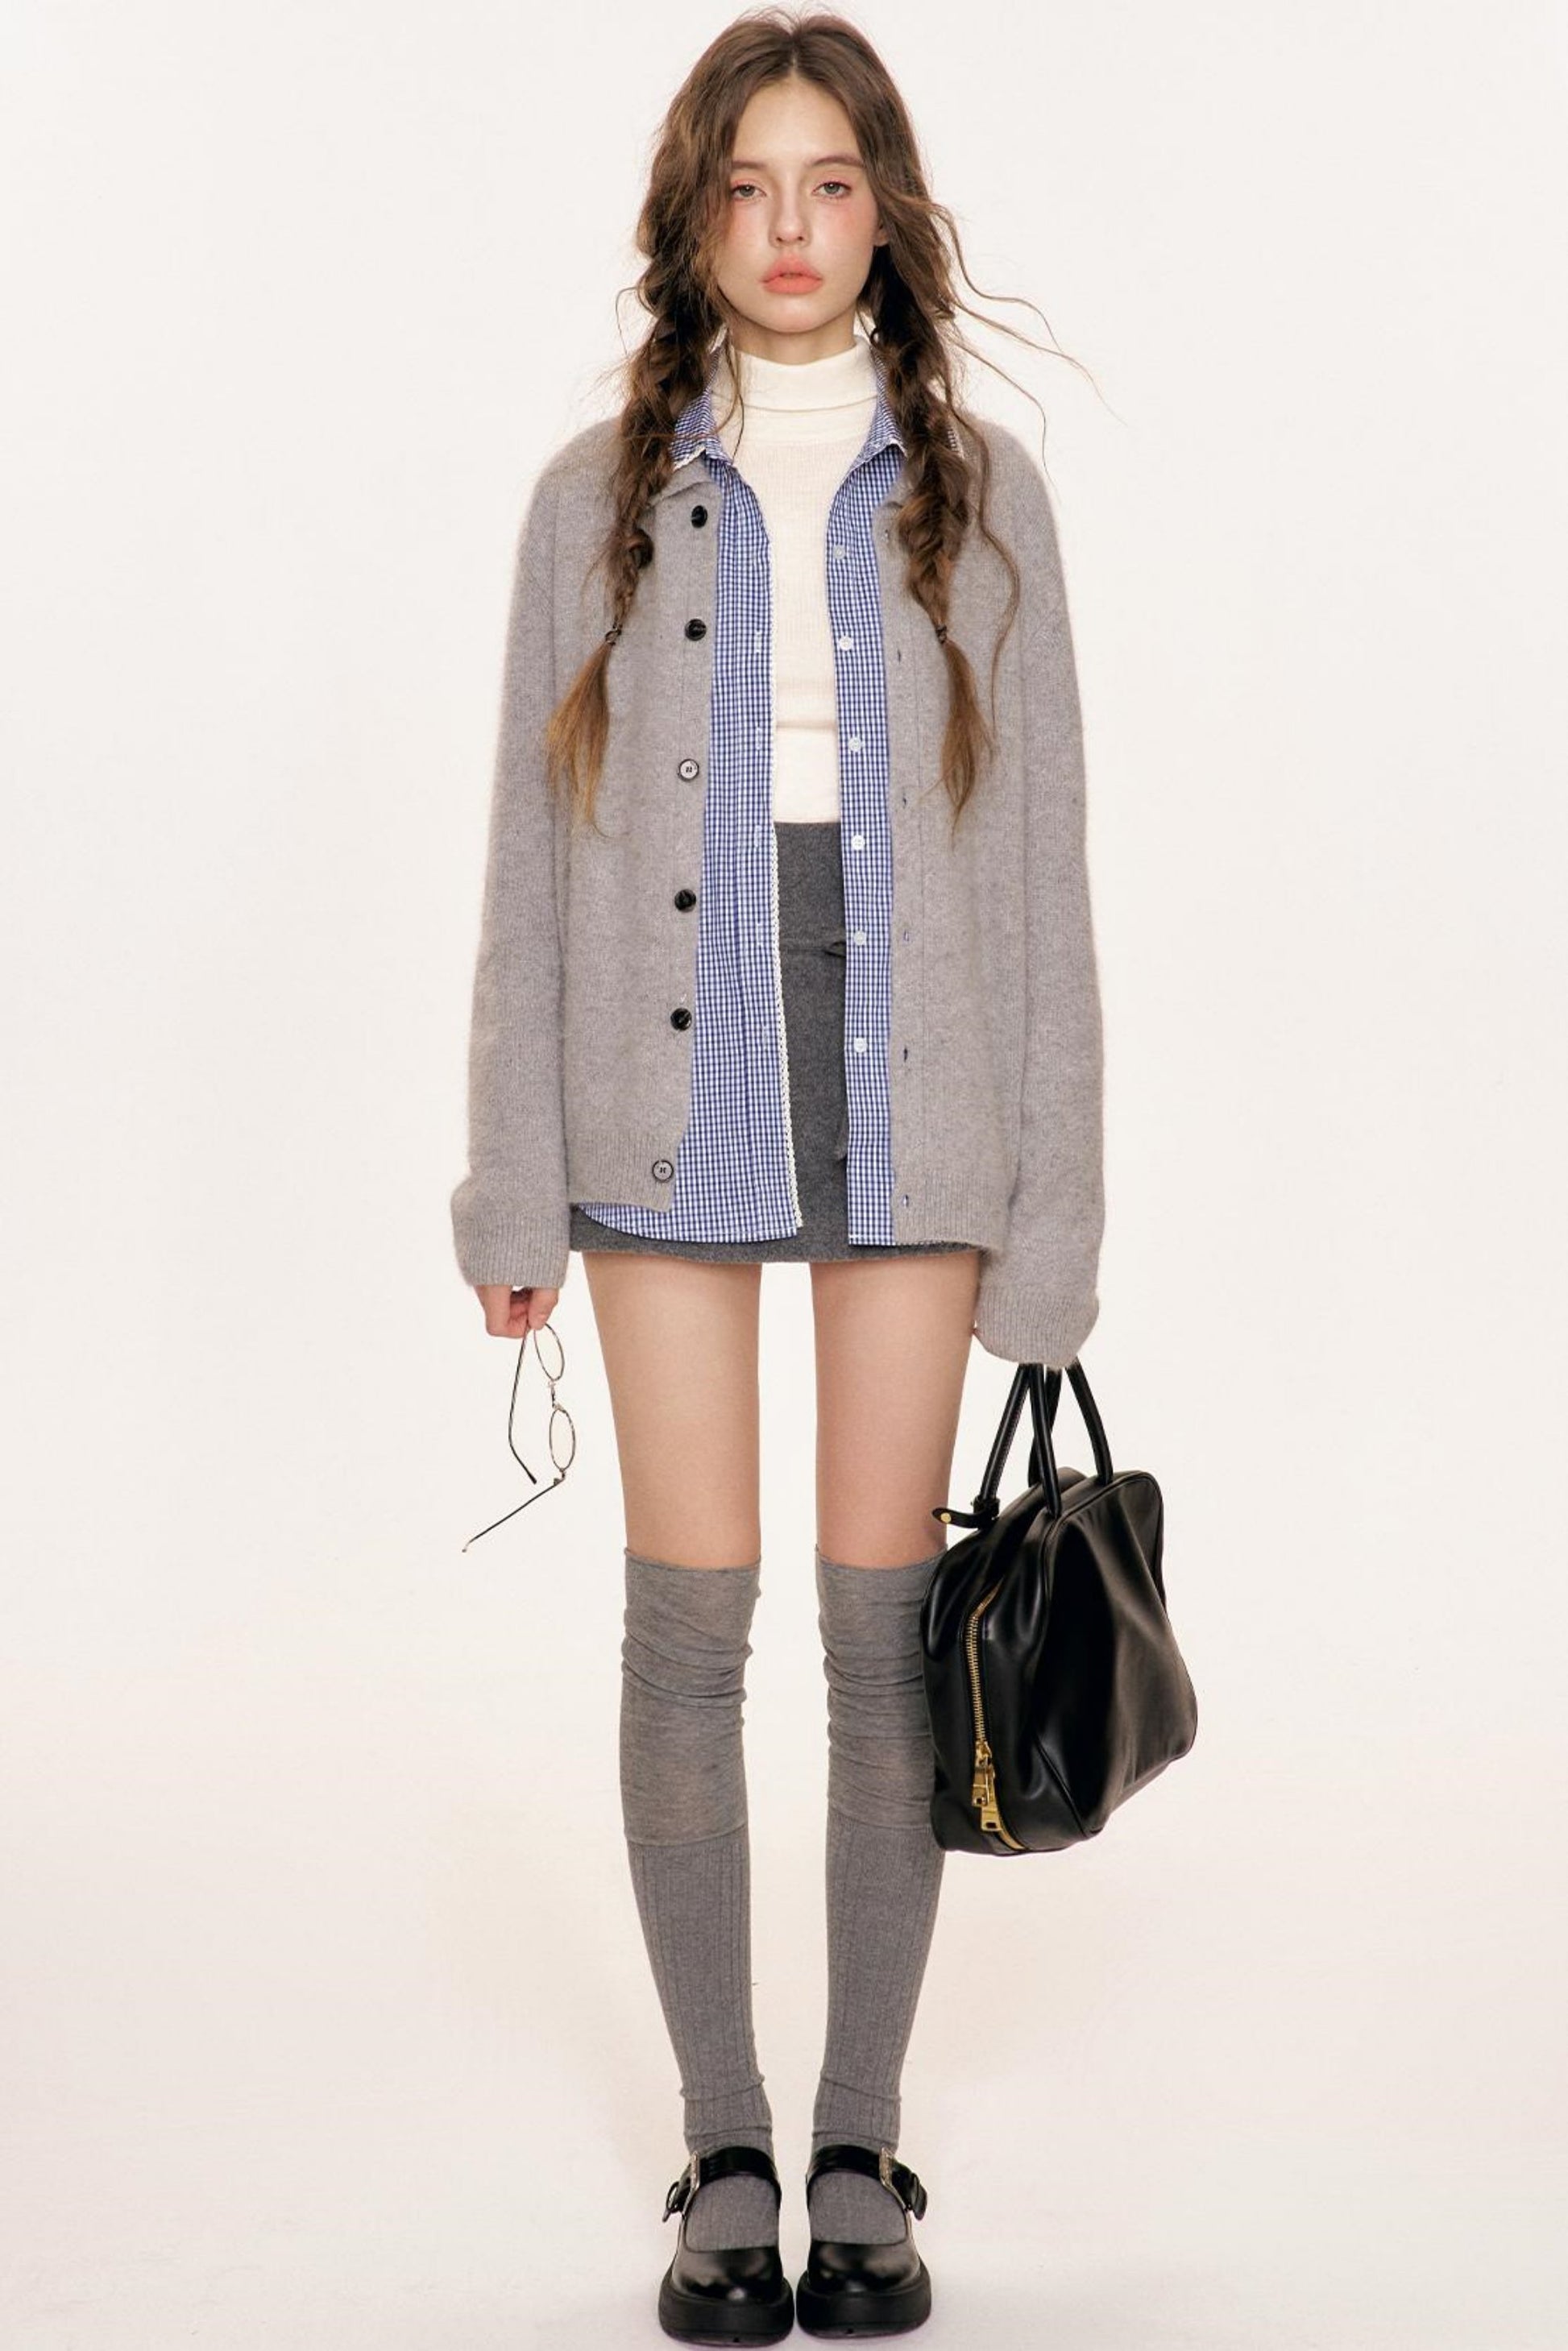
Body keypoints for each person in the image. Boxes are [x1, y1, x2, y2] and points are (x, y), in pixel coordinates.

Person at [450, 10, 1105, 2339]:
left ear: (886, 211)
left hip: (922, 1085)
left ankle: (860, 2146)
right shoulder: (593, 500)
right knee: (685, 1628)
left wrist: (1057, 1216)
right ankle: (724, 2142)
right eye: (749, 186)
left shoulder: (987, 500)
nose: (792, 227)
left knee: (877, 1635)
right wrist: (508, 1184)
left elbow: (1043, 875)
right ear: (695, 219)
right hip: (666, 1072)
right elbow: (528, 857)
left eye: (830, 183)